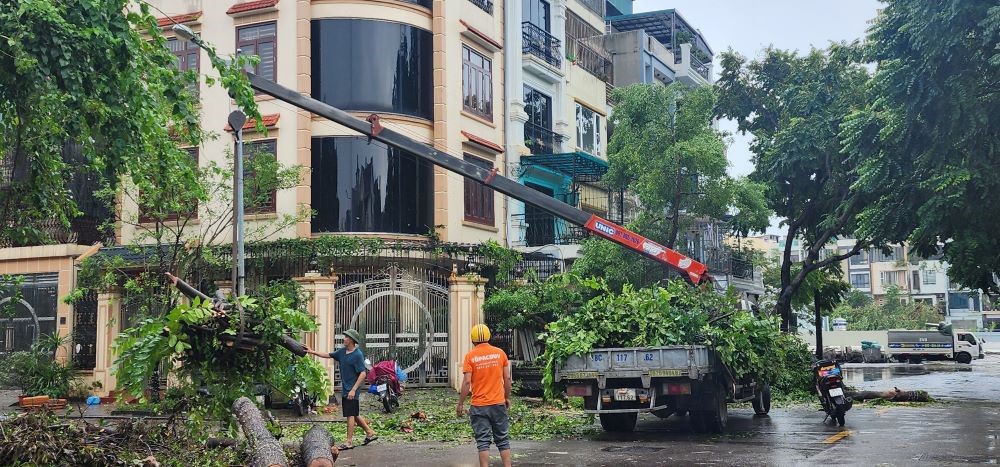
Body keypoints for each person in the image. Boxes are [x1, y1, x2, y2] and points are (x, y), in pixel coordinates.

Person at [304, 328, 378, 450]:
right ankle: (369, 433)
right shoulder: (342, 352)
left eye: (346, 337)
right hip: (346, 388)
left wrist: (354, 389)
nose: (344, 339)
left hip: (352, 389)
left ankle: (349, 442)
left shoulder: (357, 355)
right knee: (353, 413)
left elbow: (363, 373)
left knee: (350, 414)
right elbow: (328, 355)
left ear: (352, 340)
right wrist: (311, 351)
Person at [456, 324, 512, 467]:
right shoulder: (500, 353)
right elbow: (507, 378)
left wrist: (461, 403)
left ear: (473, 340)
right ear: (489, 337)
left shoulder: (470, 356)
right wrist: (506, 397)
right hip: (498, 403)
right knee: (503, 440)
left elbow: (467, 381)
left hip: (479, 406)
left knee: (483, 442)